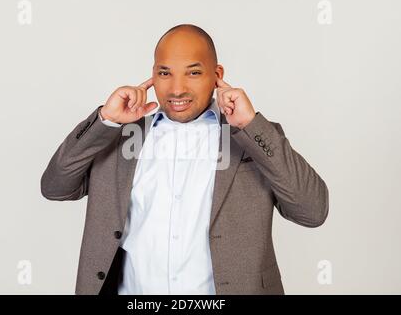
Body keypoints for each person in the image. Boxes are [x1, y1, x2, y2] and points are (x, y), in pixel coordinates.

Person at [40, 24, 329, 295]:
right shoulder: (118, 137)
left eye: (193, 73)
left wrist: (250, 125)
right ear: (153, 75)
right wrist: (105, 120)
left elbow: (312, 211)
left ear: (217, 74)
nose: (177, 89)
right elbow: (55, 187)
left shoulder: (252, 137)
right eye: (165, 73)